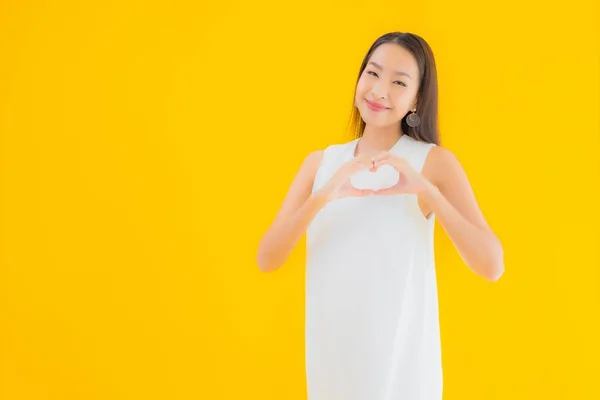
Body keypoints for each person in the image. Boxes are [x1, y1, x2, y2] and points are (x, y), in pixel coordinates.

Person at [256, 31, 504, 400]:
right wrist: (323, 195)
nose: (379, 90)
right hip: (332, 368)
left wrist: (429, 192)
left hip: (402, 374)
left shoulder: (432, 163)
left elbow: (491, 265)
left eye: (398, 82)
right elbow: (267, 258)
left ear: (417, 98)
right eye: (372, 73)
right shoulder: (320, 164)